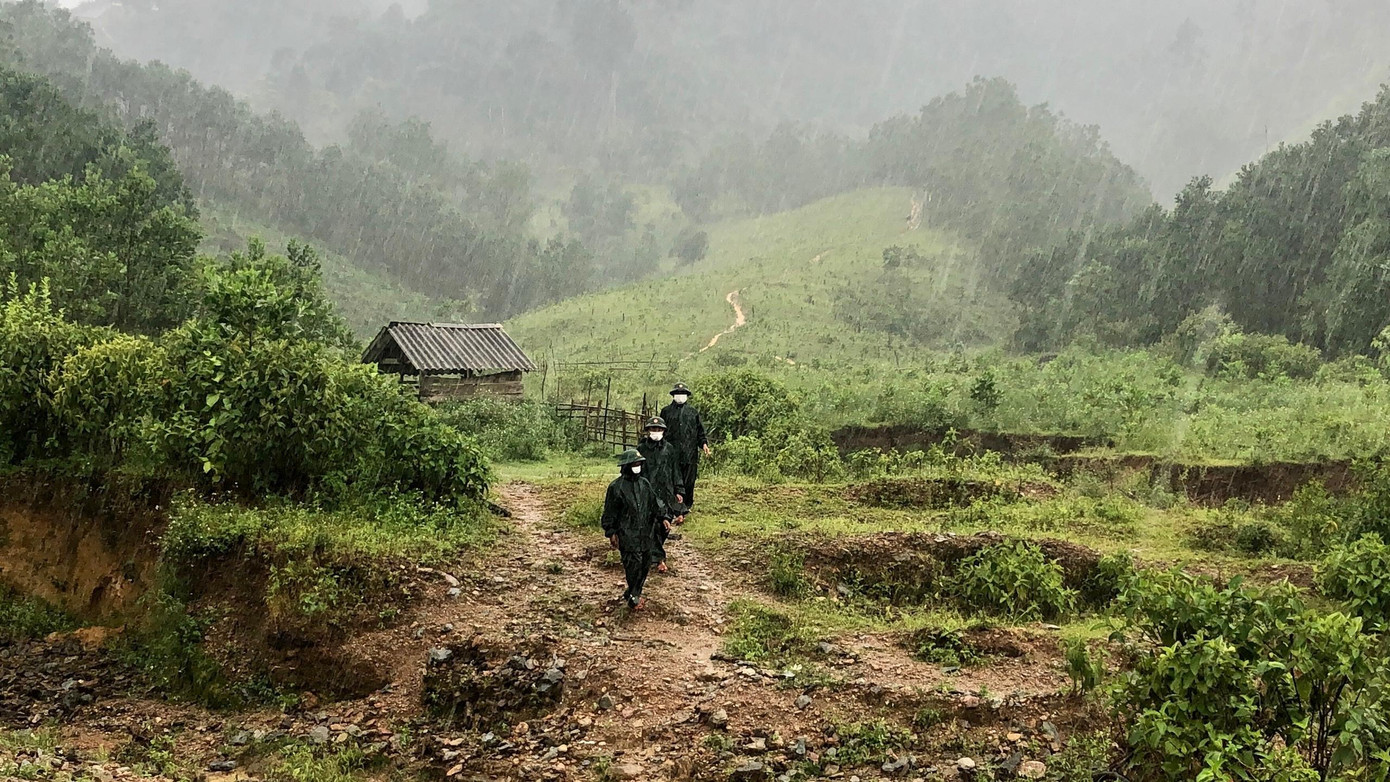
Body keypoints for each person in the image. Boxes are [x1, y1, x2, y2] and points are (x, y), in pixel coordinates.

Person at [600, 449, 672, 610]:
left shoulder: (644, 484)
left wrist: (664, 517)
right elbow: (609, 512)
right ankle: (634, 597)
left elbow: (655, 503)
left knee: (645, 563)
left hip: (645, 532)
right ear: (626, 466)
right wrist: (611, 532)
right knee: (633, 565)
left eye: (639, 463)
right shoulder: (616, 487)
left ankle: (633, 591)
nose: (637, 466)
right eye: (634, 464)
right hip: (626, 533)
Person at [636, 416, 685, 573]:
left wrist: (679, 490)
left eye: (658, 429)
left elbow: (675, 470)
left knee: (665, 526)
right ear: (648, 431)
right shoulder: (641, 449)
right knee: (652, 524)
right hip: (648, 493)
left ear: (663, 431)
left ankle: (653, 554)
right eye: (653, 429)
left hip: (666, 493)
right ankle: (659, 558)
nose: (655, 432)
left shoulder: (669, 449)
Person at [660, 382, 710, 511]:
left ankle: (686, 505)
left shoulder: (693, 412)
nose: (680, 396)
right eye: (678, 394)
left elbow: (700, 431)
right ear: (673, 395)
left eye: (683, 394)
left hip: (690, 453)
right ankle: (672, 505)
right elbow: (661, 431)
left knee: (689, 480)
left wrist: (704, 444)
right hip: (671, 453)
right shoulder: (666, 412)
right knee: (672, 480)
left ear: (687, 396)